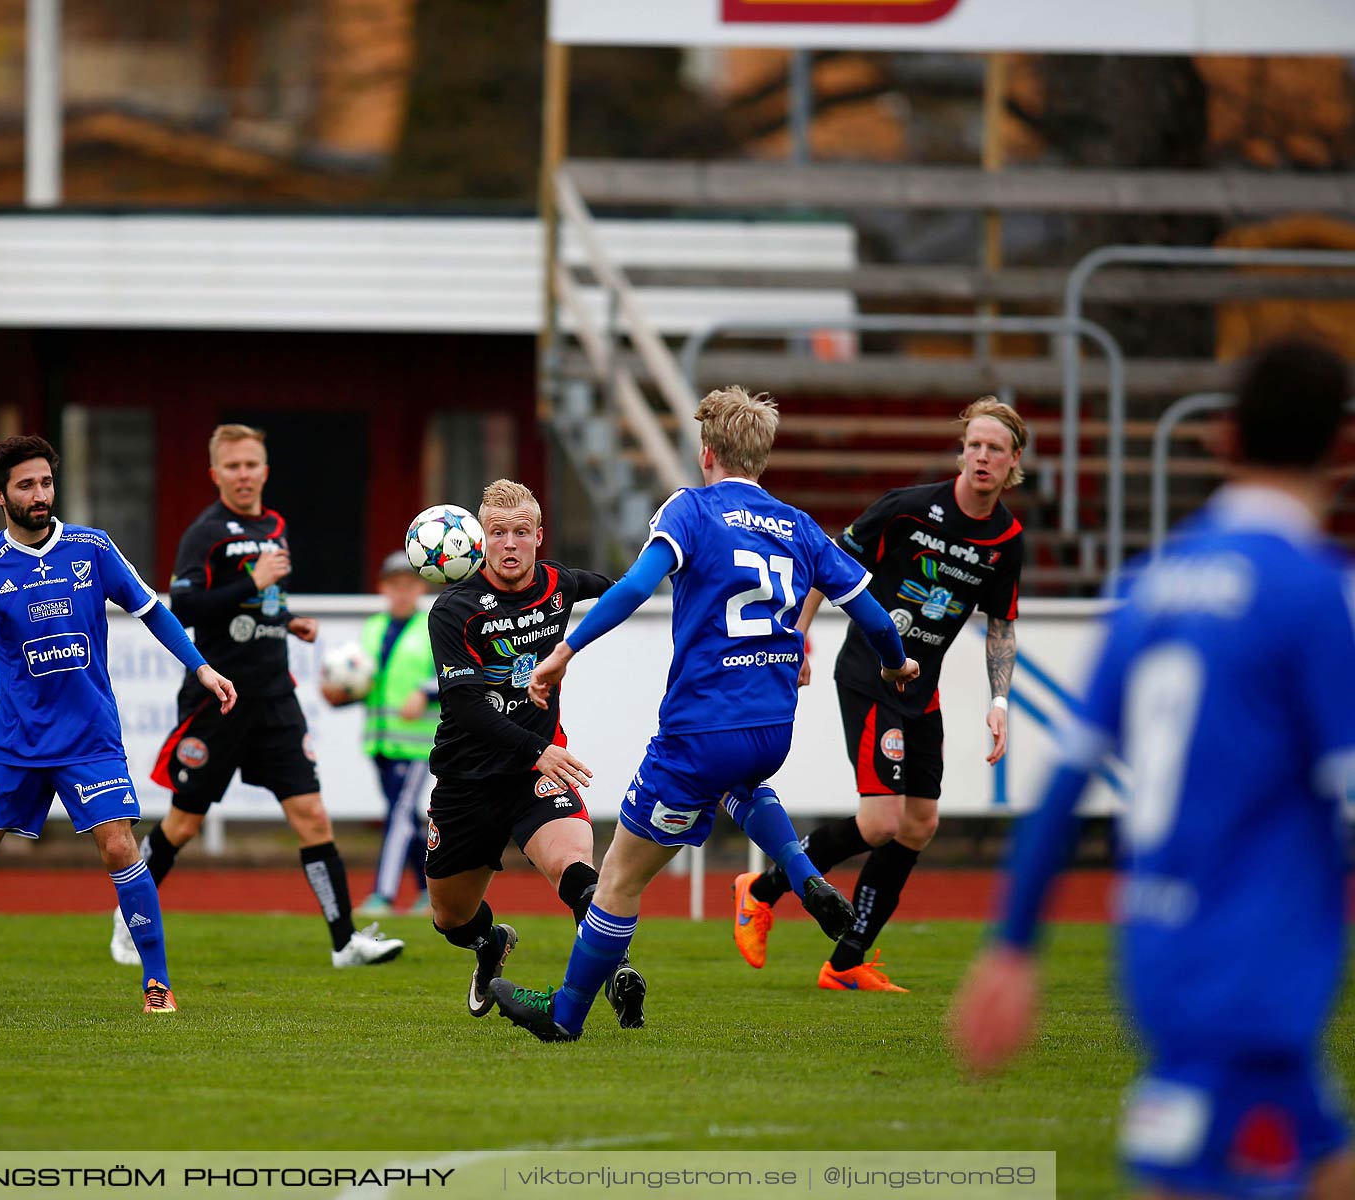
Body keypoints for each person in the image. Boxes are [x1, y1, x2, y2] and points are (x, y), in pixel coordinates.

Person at [951, 339, 1354, 1200]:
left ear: (1224, 440)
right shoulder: (1315, 592)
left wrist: (1012, 947)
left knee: (1324, 1162)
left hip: (1158, 954)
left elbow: (1066, 784)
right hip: (1255, 969)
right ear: (1343, 452)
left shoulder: (1153, 583)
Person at [489, 387, 919, 1042]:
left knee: (617, 879)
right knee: (741, 785)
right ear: (763, 457)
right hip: (772, 726)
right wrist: (894, 665)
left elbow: (635, 586)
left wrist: (565, 650)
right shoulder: (800, 525)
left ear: (707, 452)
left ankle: (565, 1015)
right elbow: (871, 614)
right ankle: (802, 878)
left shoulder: (690, 509)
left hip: (697, 731)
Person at [0, 435, 235, 1016]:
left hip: (89, 737)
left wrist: (202, 668)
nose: (40, 494)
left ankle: (157, 985)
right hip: (12, 741)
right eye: (26, 485)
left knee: (119, 846)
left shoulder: (92, 548)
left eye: (46, 482)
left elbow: (152, 610)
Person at [733, 396, 1027, 991]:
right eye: (973, 444)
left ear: (1013, 460)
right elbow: (829, 563)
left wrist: (1000, 703)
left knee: (918, 824)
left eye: (994, 448)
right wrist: (798, 641)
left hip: (924, 690)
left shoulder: (1007, 538)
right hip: (871, 674)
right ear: (962, 450)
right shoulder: (909, 509)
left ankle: (845, 962)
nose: (981, 456)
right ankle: (760, 890)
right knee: (880, 819)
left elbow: (1001, 624)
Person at [108, 424, 403, 968]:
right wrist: (255, 581)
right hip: (219, 696)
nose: (244, 474)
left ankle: (345, 942)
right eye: (233, 466)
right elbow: (186, 608)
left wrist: (288, 621)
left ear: (265, 470)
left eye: (252, 465)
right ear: (216, 473)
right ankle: (131, 917)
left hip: (274, 696)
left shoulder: (276, 527)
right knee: (185, 822)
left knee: (312, 815)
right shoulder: (205, 533)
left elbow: (259, 604)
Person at [424, 479, 647, 1027]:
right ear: (479, 540)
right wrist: (537, 747)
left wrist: (678, 569)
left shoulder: (558, 583)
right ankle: (489, 943)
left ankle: (617, 973)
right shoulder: (453, 609)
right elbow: (468, 708)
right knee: (451, 918)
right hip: (468, 778)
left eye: (520, 532)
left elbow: (622, 590)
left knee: (576, 872)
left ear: (538, 537)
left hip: (537, 772)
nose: (509, 544)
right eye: (497, 532)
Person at [321, 550, 437, 917]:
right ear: (383, 588)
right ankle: (426, 893)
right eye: (394, 584)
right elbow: (366, 683)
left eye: (409, 584)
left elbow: (456, 673)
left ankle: (383, 895)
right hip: (380, 741)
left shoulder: (432, 627)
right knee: (405, 818)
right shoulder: (372, 628)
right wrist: (340, 695)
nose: (402, 591)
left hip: (418, 744)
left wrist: (426, 690)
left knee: (400, 815)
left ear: (419, 586)